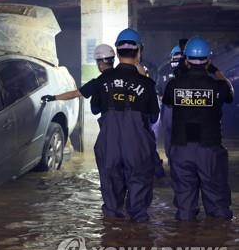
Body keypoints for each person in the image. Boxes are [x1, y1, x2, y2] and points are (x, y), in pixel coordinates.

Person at [48, 29, 160, 222]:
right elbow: (153, 118)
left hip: (110, 146)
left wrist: (53, 98)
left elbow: (92, 104)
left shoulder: (104, 80)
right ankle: (138, 246)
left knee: (111, 202)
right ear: (139, 52)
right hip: (137, 147)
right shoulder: (147, 84)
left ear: (116, 54)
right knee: (139, 202)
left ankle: (112, 244)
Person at [162, 36, 234, 221]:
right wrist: (215, 71)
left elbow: (168, 102)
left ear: (186, 60)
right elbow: (230, 93)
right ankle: (217, 244)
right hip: (209, 149)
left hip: (181, 148)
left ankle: (186, 245)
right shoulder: (217, 87)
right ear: (208, 60)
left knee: (185, 205)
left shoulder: (173, 85)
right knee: (218, 205)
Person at [41, 44, 115, 115]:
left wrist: (53, 98)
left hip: (109, 123)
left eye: (97, 62)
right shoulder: (124, 77)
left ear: (101, 63)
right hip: (126, 123)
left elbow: (74, 94)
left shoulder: (98, 82)